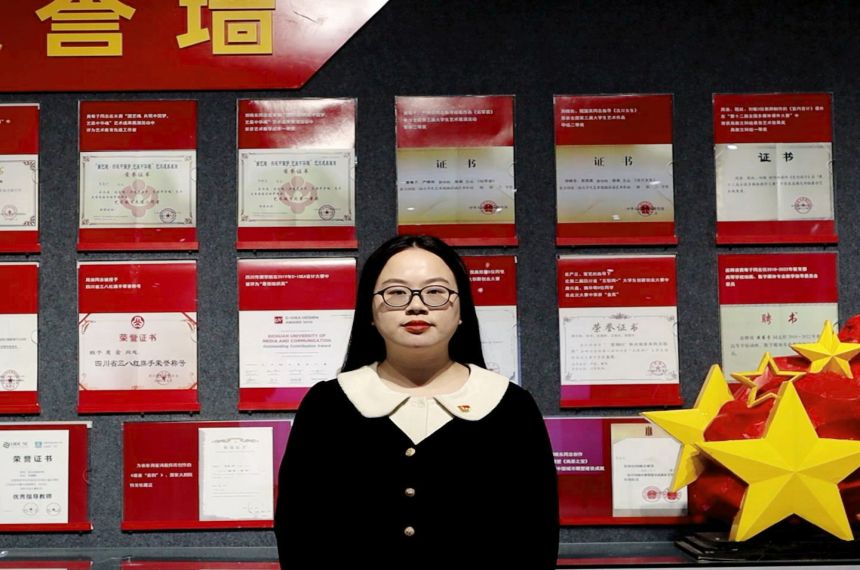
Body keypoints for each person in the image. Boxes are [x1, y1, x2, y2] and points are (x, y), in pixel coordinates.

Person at [274, 235, 559, 569]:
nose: (416, 305)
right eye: (396, 293)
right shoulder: (328, 406)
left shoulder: (510, 406)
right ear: (370, 310)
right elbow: (298, 531)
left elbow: (535, 536)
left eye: (436, 292)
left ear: (462, 309)